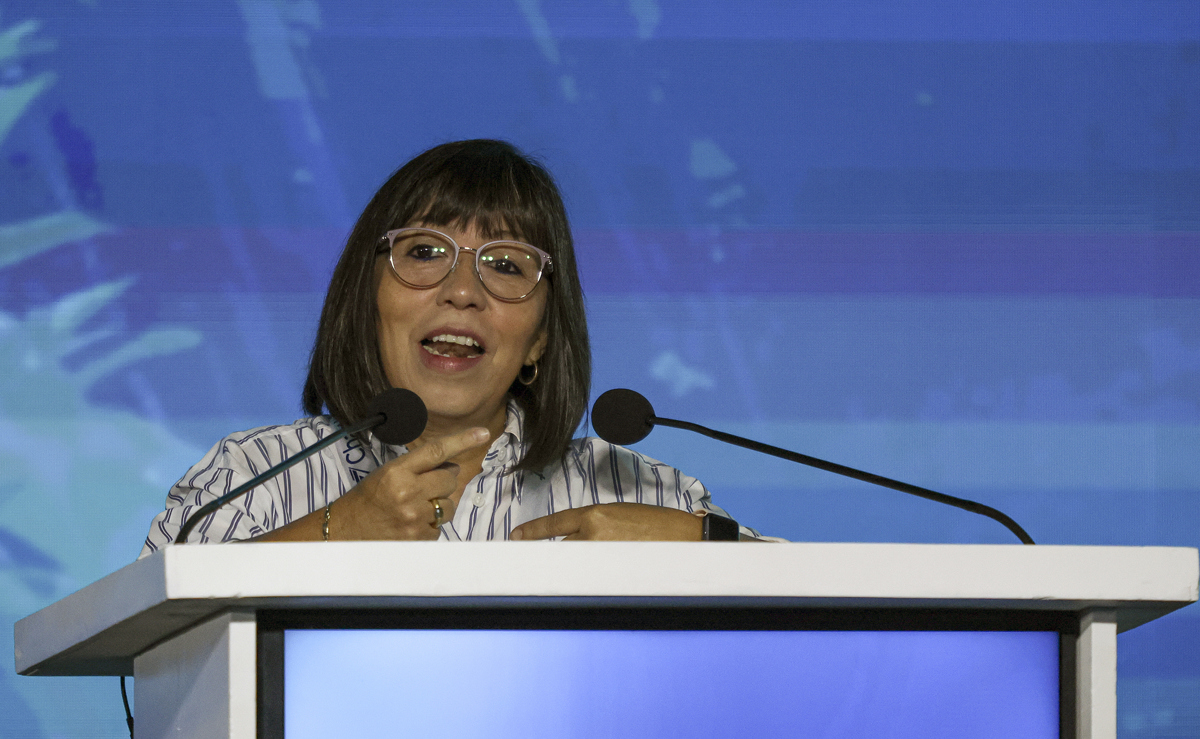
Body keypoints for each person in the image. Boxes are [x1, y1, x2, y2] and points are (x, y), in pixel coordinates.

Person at [140, 139, 761, 557]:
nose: (463, 291)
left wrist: (707, 548)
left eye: (508, 266)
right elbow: (146, 627)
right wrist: (336, 531)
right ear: (368, 299)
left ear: (540, 338)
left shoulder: (641, 491)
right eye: (425, 252)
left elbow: (837, 619)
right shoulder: (250, 475)